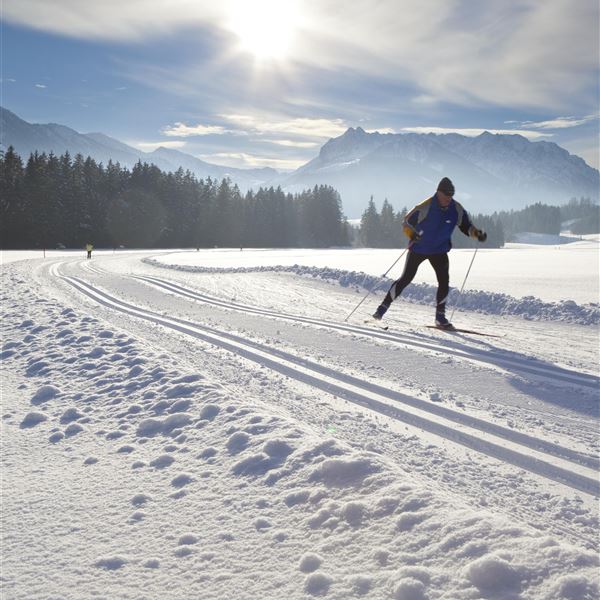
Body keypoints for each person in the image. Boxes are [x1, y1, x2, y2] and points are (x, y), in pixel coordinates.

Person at [372, 177, 487, 329]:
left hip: (439, 250)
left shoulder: (456, 208)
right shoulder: (426, 206)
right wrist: (412, 235)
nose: (448, 199)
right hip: (419, 248)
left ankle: (440, 318)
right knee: (405, 279)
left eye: (451, 195)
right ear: (438, 193)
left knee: (444, 281)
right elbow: (406, 222)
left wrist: (476, 234)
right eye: (446, 195)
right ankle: (381, 309)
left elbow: (466, 226)